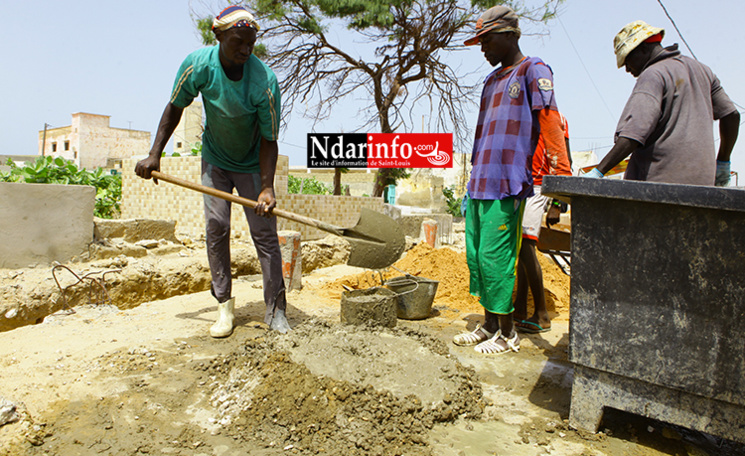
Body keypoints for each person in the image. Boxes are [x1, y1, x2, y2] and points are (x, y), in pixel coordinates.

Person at [134, 5, 291, 337]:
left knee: (265, 235)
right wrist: (154, 154)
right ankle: (224, 306)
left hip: (251, 164)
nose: (246, 50)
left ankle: (276, 310)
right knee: (216, 227)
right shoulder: (198, 66)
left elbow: (269, 138)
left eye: (252, 43)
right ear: (218, 35)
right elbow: (175, 107)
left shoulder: (264, 82)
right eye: (239, 42)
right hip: (216, 160)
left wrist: (267, 187)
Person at [452, 5, 568, 354]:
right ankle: (488, 325)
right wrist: (472, 175)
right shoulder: (491, 81)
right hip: (481, 182)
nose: (483, 49)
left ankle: (508, 333)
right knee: (477, 257)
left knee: (497, 258)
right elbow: (481, 134)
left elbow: (549, 120)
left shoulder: (533, 70)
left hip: (508, 183)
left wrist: (560, 178)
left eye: (486, 41)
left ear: (508, 34)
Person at [587, 21, 739, 186]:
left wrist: (598, 172)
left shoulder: (653, 74)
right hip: (703, 187)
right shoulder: (703, 70)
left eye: (627, 60)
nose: (627, 69)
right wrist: (723, 162)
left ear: (643, 48)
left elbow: (634, 133)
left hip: (657, 189)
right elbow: (731, 115)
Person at [514, 114, 572, 334]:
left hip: (539, 186)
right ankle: (519, 308)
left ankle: (541, 314)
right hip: (523, 185)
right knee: (521, 246)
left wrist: (557, 202)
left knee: (527, 246)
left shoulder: (555, 118)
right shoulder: (524, 115)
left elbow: (564, 159)